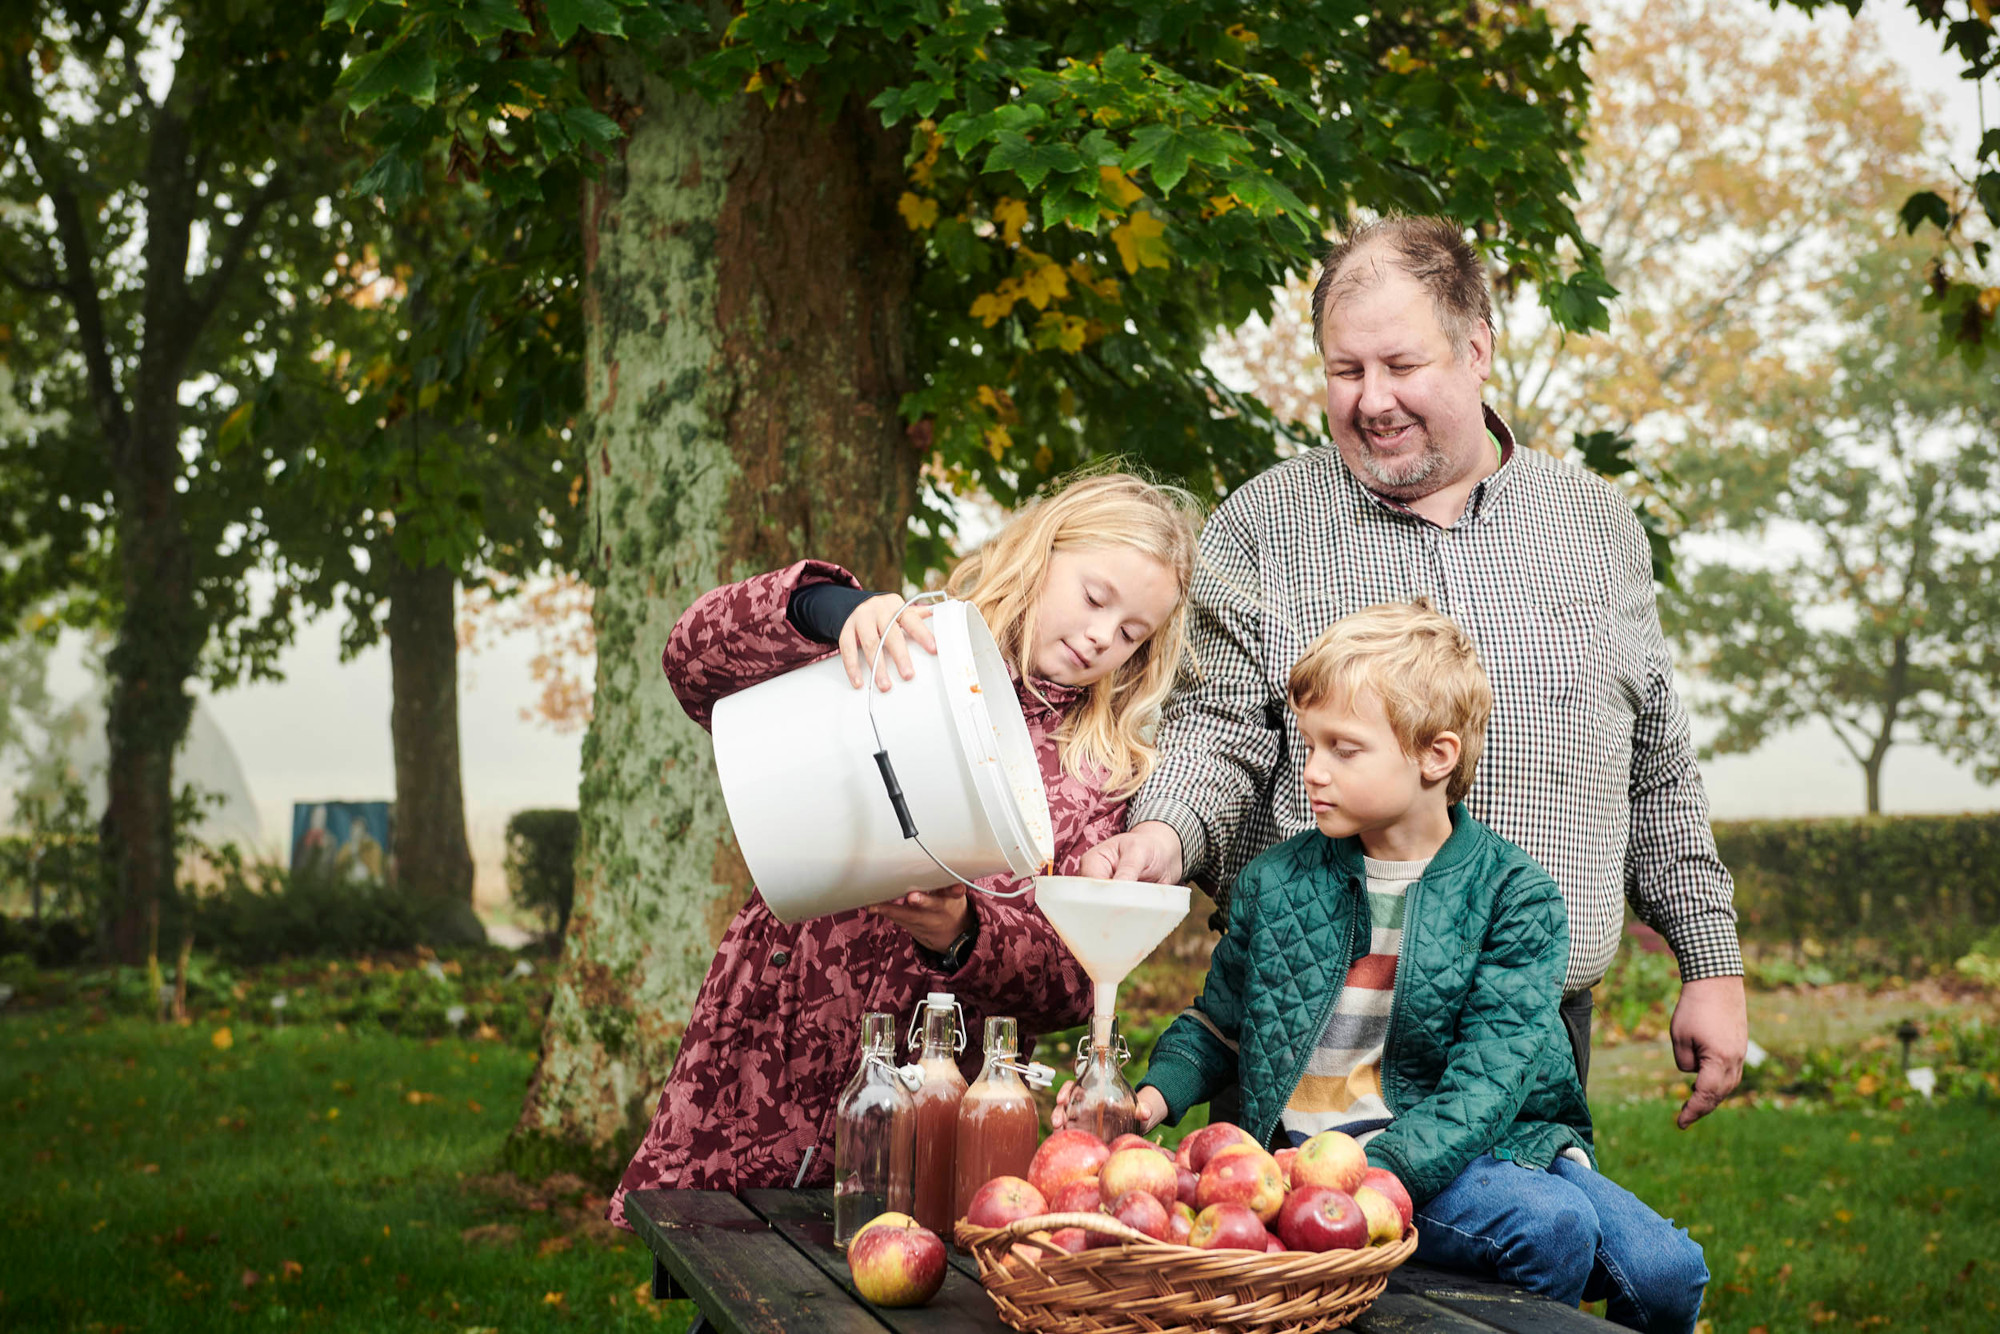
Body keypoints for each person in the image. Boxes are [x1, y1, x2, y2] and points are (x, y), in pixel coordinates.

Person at [1082, 215, 1747, 1127]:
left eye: (1401, 366)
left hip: (1520, 1036)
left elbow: (1655, 765)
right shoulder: (1263, 524)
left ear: (1477, 349)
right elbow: (1217, 736)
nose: (1372, 399)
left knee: (1517, 1254)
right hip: (1302, 1024)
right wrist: (1162, 837)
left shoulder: (1596, 528)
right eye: (1346, 371)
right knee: (1297, 1268)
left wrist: (1711, 962)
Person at [608, 471, 1203, 1227]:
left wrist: (965, 936)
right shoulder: (908, 647)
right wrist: (827, 608)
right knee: (729, 1261)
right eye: (1094, 598)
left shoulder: (1103, 773)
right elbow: (696, 664)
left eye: (1131, 634)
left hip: (937, 1092)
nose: (1099, 637)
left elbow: (1073, 982)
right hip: (772, 1036)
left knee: (890, 1275)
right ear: (1040, 552)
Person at [1120, 601, 1709, 1333]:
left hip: (1454, 1148)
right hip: (1308, 1162)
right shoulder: (1276, 882)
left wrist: (1385, 1171)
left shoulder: (1514, 895)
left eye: (1344, 748)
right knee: (1550, 1227)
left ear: (1436, 756)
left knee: (1668, 1274)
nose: (1313, 772)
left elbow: (1487, 1083)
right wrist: (1150, 1097)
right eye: (1309, 745)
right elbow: (1218, 1023)